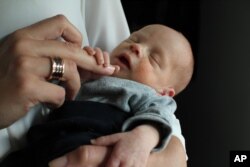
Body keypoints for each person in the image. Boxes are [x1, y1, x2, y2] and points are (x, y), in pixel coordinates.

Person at [0, 1, 188, 167]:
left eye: (154, 59)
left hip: (94, 137)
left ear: (164, 92)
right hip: (50, 135)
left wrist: (141, 140)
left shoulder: (148, 95)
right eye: (134, 39)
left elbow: (160, 118)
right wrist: (86, 65)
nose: (137, 48)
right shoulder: (99, 72)